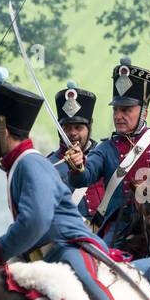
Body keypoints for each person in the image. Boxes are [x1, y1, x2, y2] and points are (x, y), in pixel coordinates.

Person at [0, 74, 146, 300]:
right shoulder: (33, 163)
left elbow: (36, 220)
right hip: (41, 253)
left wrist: (0, 247)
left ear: (2, 130)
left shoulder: (29, 165)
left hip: (68, 245)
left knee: (84, 277)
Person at [62, 57, 150, 253]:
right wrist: (77, 166)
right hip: (119, 229)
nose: (118, 115)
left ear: (143, 113)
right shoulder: (105, 149)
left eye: (126, 109)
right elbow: (84, 177)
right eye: (116, 109)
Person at [47, 81, 105, 222]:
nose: (72, 133)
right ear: (60, 131)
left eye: (78, 127)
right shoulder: (49, 165)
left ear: (88, 128)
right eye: (67, 128)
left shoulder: (104, 156)